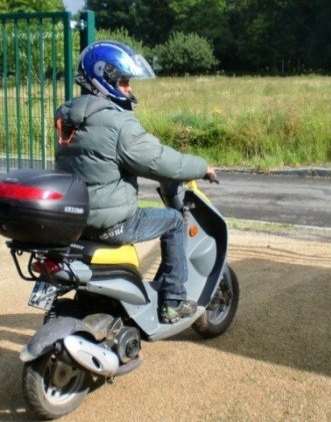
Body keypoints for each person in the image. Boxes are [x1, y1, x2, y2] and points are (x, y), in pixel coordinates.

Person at [54, 40, 217, 323]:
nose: (129, 89)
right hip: (112, 224)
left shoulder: (68, 116)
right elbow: (160, 161)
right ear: (104, 80)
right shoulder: (118, 124)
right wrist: (202, 167)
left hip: (76, 221)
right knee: (175, 221)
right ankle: (173, 301)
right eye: (124, 82)